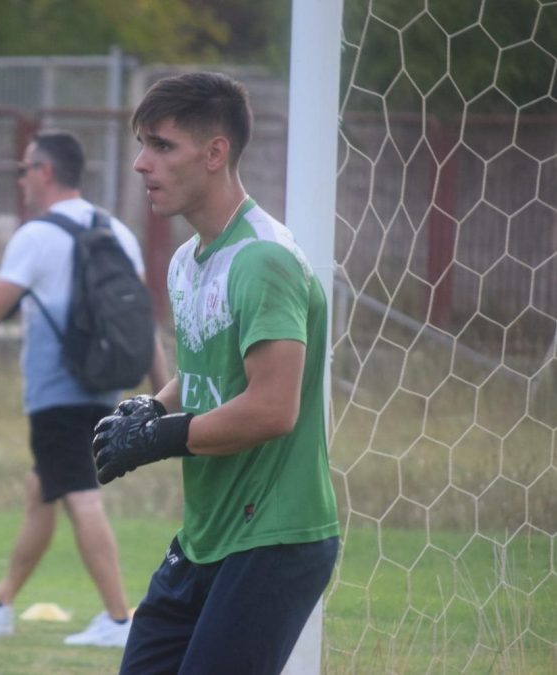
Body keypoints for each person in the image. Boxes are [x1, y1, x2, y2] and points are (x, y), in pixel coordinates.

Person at [91, 72, 341, 673]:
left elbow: (272, 408)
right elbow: (206, 371)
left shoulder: (263, 258)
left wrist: (163, 437)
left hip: (273, 538)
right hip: (208, 535)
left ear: (214, 153)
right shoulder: (188, 260)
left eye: (161, 145)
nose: (142, 163)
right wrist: (153, 407)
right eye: (142, 145)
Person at [0, 129, 168, 648]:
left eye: (23, 170)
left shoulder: (36, 237)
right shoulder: (116, 231)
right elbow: (141, 323)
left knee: (81, 496)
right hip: (101, 387)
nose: (20, 180)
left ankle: (117, 619)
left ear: (44, 171)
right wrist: (162, 393)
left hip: (56, 394)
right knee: (43, 488)